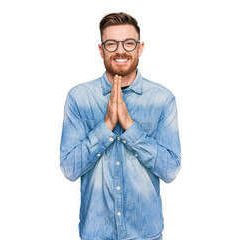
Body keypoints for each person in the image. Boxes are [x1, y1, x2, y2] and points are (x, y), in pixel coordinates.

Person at [60, 12, 181, 240]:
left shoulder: (162, 99)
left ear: (140, 48)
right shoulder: (79, 98)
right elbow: (69, 168)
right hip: (96, 234)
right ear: (101, 49)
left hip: (146, 234)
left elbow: (170, 170)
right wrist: (106, 126)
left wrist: (130, 126)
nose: (120, 50)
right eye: (111, 43)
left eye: (128, 43)